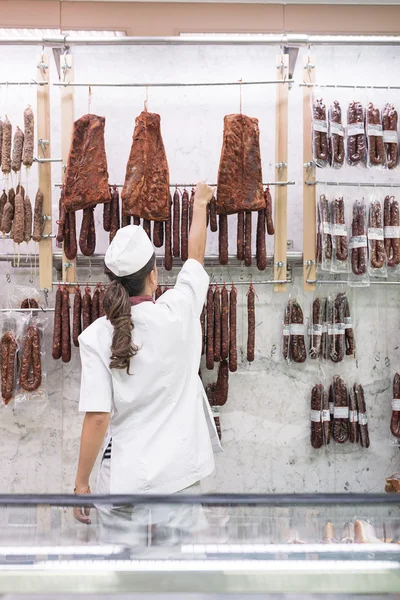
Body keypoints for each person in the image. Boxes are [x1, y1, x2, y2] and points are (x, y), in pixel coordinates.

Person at [73, 182, 220, 539]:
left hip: (127, 481)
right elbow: (195, 259)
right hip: (181, 477)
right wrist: (200, 203)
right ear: (153, 276)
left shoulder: (96, 336)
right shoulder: (179, 311)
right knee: (178, 582)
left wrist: (80, 483)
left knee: (125, 583)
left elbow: (97, 418)